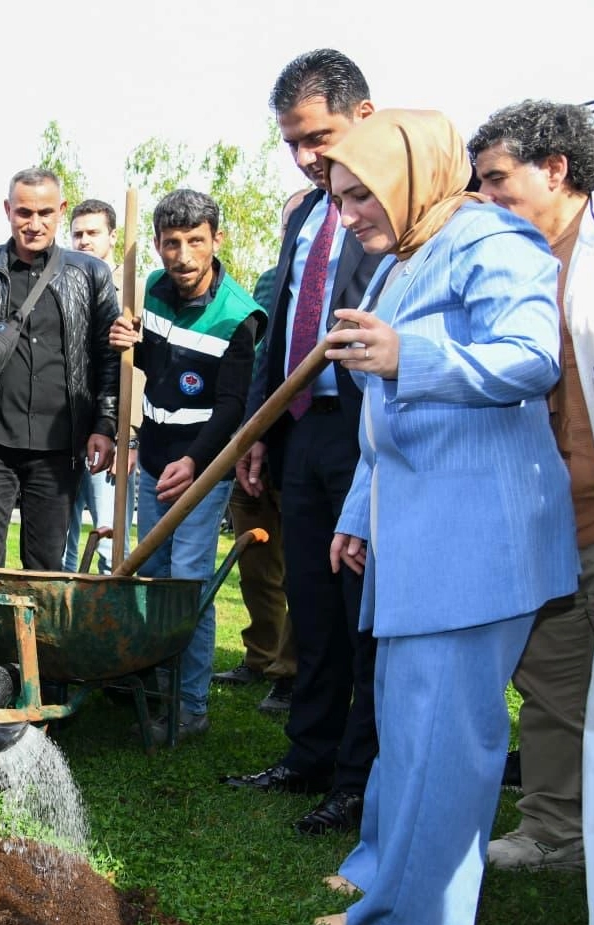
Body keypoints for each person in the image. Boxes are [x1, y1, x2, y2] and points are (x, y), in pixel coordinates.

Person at [314, 107, 576, 925]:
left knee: (443, 744)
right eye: (337, 197)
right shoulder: (406, 258)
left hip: (474, 541)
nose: (346, 215)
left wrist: (409, 355)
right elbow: (381, 412)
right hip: (416, 534)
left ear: (411, 177)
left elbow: (530, 357)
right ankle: (386, 876)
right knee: (406, 727)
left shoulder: (492, 239)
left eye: (360, 194)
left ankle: (415, 912)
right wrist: (359, 510)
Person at [223, 49, 383, 839]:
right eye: (291, 142)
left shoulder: (393, 211)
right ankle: (308, 754)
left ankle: (358, 779)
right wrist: (261, 427)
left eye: (316, 136)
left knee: (362, 613)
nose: (304, 157)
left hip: (367, 431)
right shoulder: (304, 214)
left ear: (363, 116)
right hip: (303, 432)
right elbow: (281, 327)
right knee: (313, 607)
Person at [468, 100, 594, 874]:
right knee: (550, 678)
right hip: (552, 518)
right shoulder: (512, 264)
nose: (484, 197)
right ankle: (553, 830)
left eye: (495, 179)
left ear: (554, 169)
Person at [108, 189, 264, 743]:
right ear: (156, 244)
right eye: (171, 243)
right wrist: (130, 342)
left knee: (189, 582)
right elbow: (159, 367)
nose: (183, 256)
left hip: (201, 469)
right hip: (153, 458)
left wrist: (195, 462)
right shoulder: (150, 288)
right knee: (151, 577)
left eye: (195, 241)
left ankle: (191, 706)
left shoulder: (240, 316)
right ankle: (152, 685)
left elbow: (232, 406)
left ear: (216, 240)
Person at [0, 168, 119, 570]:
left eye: (45, 213)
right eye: (24, 212)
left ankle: (39, 619)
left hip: (58, 447)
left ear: (61, 210)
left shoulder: (90, 274)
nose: (34, 224)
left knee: (46, 565)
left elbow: (108, 357)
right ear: (8, 210)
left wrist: (105, 425)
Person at [214, 186, 311, 714]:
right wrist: (247, 434)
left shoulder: (337, 280)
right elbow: (259, 359)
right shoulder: (270, 282)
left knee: (301, 564)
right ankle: (260, 655)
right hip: (254, 438)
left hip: (302, 439)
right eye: (291, 222)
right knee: (254, 559)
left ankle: (290, 672)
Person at [62, 197, 137, 575]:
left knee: (110, 538)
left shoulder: (133, 292)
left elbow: (137, 371)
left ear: (112, 236)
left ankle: (112, 609)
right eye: (77, 234)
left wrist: (130, 436)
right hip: (65, 429)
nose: (84, 241)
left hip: (113, 433)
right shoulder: (62, 282)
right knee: (60, 539)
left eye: (93, 233)